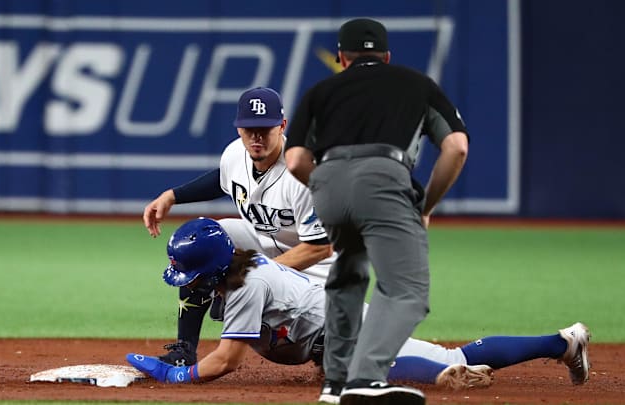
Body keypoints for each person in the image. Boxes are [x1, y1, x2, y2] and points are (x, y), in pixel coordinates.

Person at [126, 218, 591, 405]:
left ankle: (565, 341)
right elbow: (197, 300)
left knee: (450, 359)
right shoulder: (226, 269)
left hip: (347, 326)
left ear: (210, 268)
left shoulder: (245, 282)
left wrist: (175, 376)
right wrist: (184, 348)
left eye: (190, 276)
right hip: (327, 332)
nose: (189, 287)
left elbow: (227, 361)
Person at [283, 18, 470, 405]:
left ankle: (334, 383)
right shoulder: (417, 84)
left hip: (328, 183)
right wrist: (426, 205)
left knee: (348, 273)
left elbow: (297, 159)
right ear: (386, 56)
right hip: (384, 177)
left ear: (341, 58)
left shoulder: (321, 90)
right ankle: (365, 378)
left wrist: (327, 186)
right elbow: (456, 147)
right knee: (407, 290)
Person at [142, 87, 334, 367]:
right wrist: (173, 195)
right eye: (248, 129)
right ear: (239, 129)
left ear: (282, 126)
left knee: (293, 340)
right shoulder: (235, 154)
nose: (256, 137)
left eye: (264, 128)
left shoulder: (301, 175)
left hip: (318, 271)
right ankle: (184, 350)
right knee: (205, 240)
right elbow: (222, 178)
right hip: (269, 245)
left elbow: (321, 248)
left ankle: (324, 346)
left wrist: (249, 278)